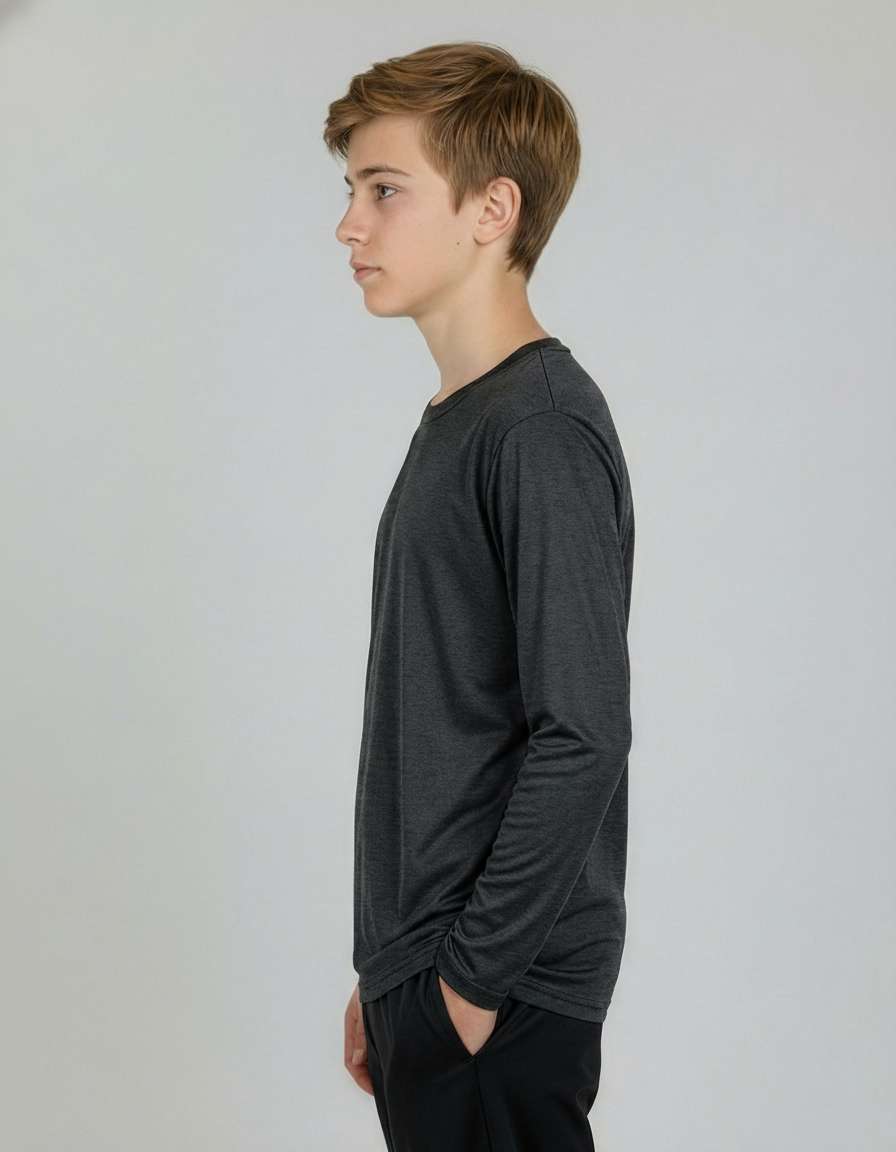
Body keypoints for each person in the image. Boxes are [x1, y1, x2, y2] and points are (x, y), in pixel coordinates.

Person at [323, 40, 635, 1151]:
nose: (349, 226)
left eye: (384, 189)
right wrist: (394, 967)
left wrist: (466, 983)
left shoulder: (536, 428)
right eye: (350, 191)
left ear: (491, 209)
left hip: (496, 994)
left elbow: (582, 732)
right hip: (437, 975)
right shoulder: (465, 420)